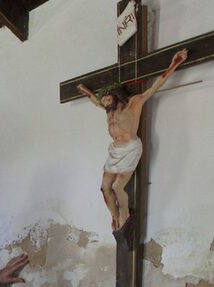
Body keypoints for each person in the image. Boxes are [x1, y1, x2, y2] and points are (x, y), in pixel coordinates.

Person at [76, 49, 188, 242]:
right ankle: (115, 217)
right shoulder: (108, 111)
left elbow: (155, 87)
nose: (104, 101)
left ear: (116, 95)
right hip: (115, 151)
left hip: (130, 149)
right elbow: (95, 102)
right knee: (104, 188)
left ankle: (124, 220)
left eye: (107, 97)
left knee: (119, 187)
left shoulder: (134, 104)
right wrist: (85, 91)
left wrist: (175, 63)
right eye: (103, 100)